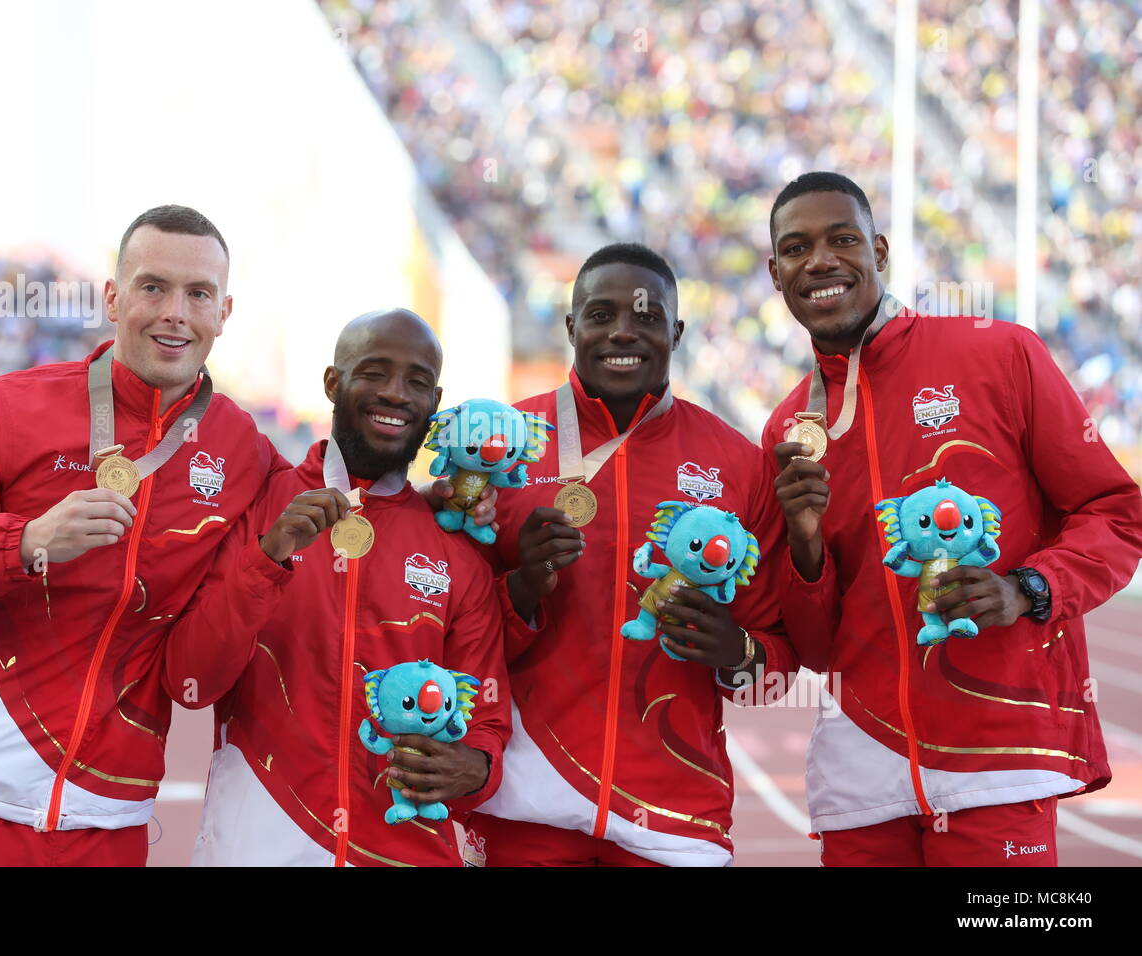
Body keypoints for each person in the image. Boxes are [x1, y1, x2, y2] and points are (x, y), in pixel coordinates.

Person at [0, 205, 299, 865]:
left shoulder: (244, 453)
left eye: (198, 294)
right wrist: (24, 542)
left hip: (109, 815)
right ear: (112, 296)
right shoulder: (5, 409)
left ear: (224, 311)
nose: (175, 312)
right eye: (152, 287)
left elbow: (350, 500)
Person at [764, 171, 1142, 866]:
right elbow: (816, 647)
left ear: (879, 252)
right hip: (863, 762)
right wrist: (806, 548)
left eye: (842, 240)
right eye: (796, 248)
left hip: (1000, 752)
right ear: (775, 273)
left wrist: (1026, 588)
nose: (820, 261)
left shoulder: (999, 353)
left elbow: (1115, 513)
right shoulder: (790, 428)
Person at [464, 243, 798, 867]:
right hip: (528, 801)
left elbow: (774, 669)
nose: (623, 330)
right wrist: (522, 590)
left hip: (675, 815)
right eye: (601, 314)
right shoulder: (500, 447)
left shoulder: (738, 463)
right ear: (571, 327)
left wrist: (735, 650)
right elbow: (453, 633)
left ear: (675, 330)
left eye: (646, 317)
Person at [176, 309, 513, 867]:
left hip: (406, 847)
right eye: (374, 372)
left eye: (417, 382)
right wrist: (267, 558)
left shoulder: (457, 549)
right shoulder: (257, 506)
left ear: (436, 402)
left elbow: (488, 718)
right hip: (261, 837)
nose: (396, 394)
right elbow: (190, 678)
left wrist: (477, 765)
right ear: (333, 382)